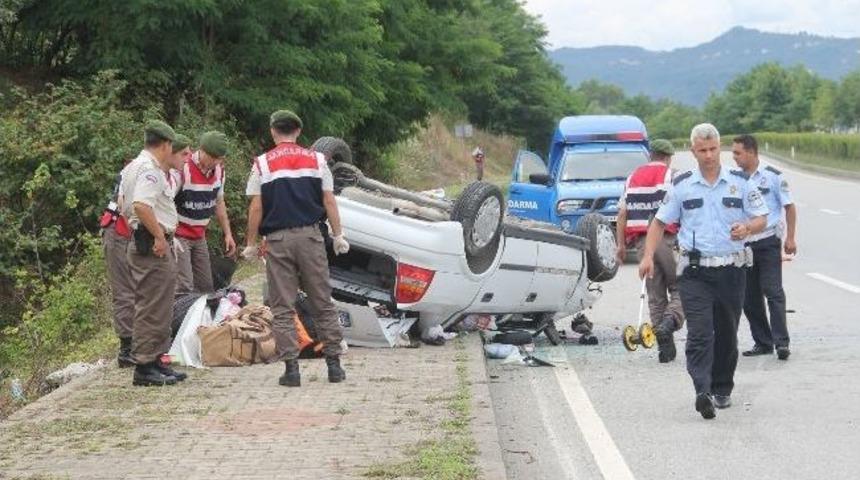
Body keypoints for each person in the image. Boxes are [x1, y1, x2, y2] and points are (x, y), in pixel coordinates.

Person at [639, 123, 768, 419]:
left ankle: (722, 387)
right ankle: (702, 390)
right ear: (692, 150)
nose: (708, 155)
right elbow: (659, 223)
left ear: (718, 148)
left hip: (731, 270)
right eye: (702, 150)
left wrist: (747, 227)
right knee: (699, 334)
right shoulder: (682, 184)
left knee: (726, 334)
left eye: (713, 149)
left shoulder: (740, 181)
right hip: (695, 272)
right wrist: (647, 256)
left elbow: (762, 217)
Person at [243, 110, 350, 387]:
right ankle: (334, 366)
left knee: (282, 307)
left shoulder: (262, 164)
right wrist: (338, 235)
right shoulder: (317, 160)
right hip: (311, 237)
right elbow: (329, 200)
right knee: (322, 301)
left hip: (277, 241)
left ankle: (291, 370)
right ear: (298, 132)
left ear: (273, 131)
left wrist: (251, 243)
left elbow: (256, 206)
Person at [120, 120, 187, 387]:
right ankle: (145, 365)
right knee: (151, 305)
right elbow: (140, 205)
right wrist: (159, 235)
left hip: (148, 241)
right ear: (167, 144)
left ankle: (157, 359)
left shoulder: (133, 167)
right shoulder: (149, 170)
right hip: (152, 245)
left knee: (160, 304)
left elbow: (125, 203)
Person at [615, 139, 685, 362]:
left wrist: (621, 245)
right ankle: (668, 323)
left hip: (642, 244)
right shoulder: (672, 176)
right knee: (681, 287)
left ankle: (665, 350)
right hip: (668, 239)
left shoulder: (631, 178)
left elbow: (622, 215)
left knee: (655, 295)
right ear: (668, 157)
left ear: (650, 155)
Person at [732, 134, 797, 360]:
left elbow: (789, 207)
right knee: (749, 297)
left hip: (768, 242)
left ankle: (782, 343)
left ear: (751, 152)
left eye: (737, 153)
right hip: (744, 245)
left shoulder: (773, 177)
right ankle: (763, 342)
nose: (734, 158)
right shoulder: (734, 179)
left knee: (773, 291)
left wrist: (791, 238)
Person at [173, 131, 236, 294]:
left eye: (220, 158)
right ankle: (178, 317)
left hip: (199, 235)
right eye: (213, 157)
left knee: (206, 285)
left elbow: (219, 202)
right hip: (179, 235)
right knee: (184, 285)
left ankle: (201, 318)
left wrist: (228, 234)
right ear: (201, 150)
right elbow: (166, 201)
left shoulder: (220, 172)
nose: (216, 162)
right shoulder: (183, 168)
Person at [99, 162, 135, 368]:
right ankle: (126, 349)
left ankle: (141, 342)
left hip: (131, 233)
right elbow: (124, 205)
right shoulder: (136, 170)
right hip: (118, 231)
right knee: (125, 291)